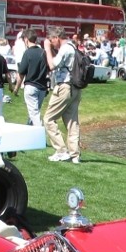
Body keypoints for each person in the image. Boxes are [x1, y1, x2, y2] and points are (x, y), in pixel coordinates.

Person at [43, 26, 81, 163]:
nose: (51, 43)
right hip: (75, 87)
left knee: (48, 118)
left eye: (52, 41)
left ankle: (61, 150)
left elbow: (52, 65)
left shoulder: (65, 48)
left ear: (56, 38)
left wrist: (47, 49)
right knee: (72, 122)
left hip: (64, 87)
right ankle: (75, 155)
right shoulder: (73, 46)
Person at [15, 32, 50, 126]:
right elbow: (48, 69)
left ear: (26, 39)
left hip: (31, 86)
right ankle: (29, 132)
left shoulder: (27, 53)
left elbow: (21, 73)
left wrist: (16, 88)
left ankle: (40, 135)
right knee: (34, 112)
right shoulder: (43, 52)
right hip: (42, 88)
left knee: (34, 114)